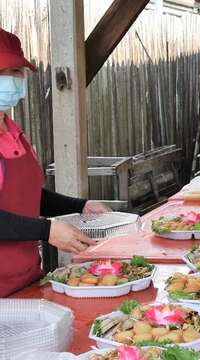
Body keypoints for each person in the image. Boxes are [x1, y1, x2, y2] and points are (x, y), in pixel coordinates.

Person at [0, 28, 111, 297]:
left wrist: (80, 206)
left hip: (24, 279)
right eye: (2, 73)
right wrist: (47, 230)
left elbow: (25, 197)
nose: (11, 80)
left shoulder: (14, 132)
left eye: (16, 71)